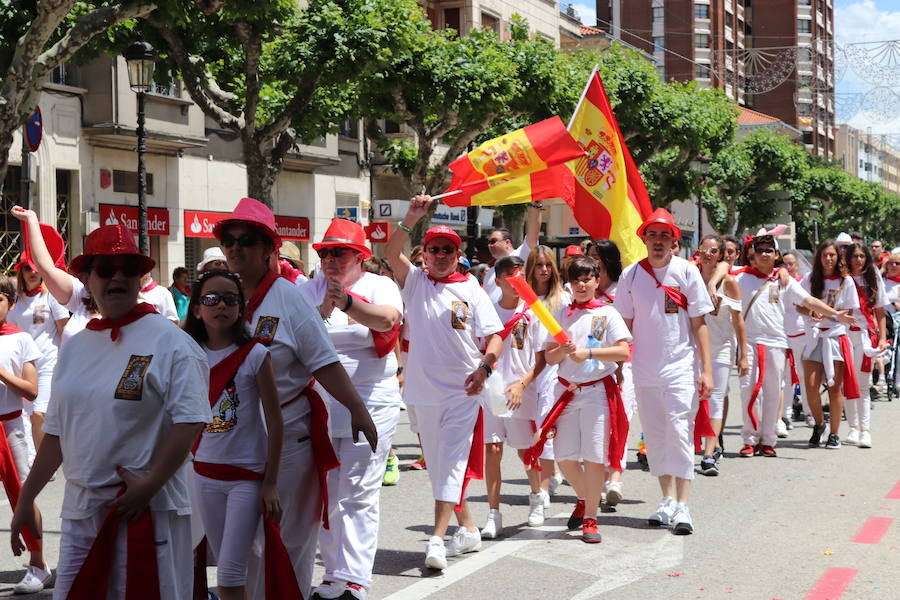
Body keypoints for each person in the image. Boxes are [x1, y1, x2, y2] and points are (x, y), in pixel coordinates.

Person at [11, 223, 211, 599]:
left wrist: (149, 486)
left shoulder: (173, 344)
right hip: (82, 510)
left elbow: (191, 422)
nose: (117, 276)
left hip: (148, 510)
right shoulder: (74, 347)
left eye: (128, 268)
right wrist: (25, 500)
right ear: (86, 278)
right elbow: (55, 434)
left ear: (141, 278)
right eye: (106, 268)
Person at [213, 197, 376, 598]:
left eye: (247, 240)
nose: (236, 248)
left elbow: (324, 362)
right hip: (232, 440)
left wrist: (358, 408)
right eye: (229, 240)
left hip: (289, 441)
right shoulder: (220, 298)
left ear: (269, 249)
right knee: (237, 549)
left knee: (288, 544)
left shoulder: (291, 300)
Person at [384, 195, 504, 571]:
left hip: (462, 393)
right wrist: (412, 216)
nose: (439, 255)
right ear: (425, 255)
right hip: (420, 393)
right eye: (433, 249)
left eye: (447, 250)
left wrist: (485, 369)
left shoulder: (471, 288)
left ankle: (436, 539)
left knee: (450, 464)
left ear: (457, 253)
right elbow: (390, 252)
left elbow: (496, 336)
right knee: (440, 468)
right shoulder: (415, 282)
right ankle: (467, 529)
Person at [299, 219, 403, 600]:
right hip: (318, 402)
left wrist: (346, 302)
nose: (329, 259)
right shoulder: (305, 288)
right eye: (324, 253)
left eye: (338, 252)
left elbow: (389, 319)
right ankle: (333, 574)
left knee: (358, 489)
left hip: (371, 398)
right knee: (325, 489)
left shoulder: (379, 285)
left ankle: (355, 577)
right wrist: (322, 306)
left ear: (359, 256)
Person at [185, 270, 289, 600]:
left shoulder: (256, 355)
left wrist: (270, 483)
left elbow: (275, 421)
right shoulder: (187, 354)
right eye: (211, 299)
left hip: (247, 478)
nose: (221, 306)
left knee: (230, 573)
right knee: (223, 568)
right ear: (198, 308)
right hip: (203, 475)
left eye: (231, 299)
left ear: (241, 308)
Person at [613, 208, 714, 535]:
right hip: (644, 370)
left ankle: (683, 505)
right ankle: (666, 499)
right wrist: (618, 368)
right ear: (643, 238)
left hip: (681, 369)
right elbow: (623, 327)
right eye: (652, 235)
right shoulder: (630, 276)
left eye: (664, 236)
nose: (658, 241)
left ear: (674, 242)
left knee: (680, 433)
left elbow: (699, 324)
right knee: (655, 438)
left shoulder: (686, 272)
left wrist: (707, 371)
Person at [541, 257, 631, 543]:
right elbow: (549, 356)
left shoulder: (608, 313)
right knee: (565, 458)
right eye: (576, 279)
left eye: (587, 279)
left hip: (596, 393)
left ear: (596, 280)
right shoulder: (562, 314)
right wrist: (564, 350)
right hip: (567, 392)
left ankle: (591, 517)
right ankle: (584, 496)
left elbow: (622, 352)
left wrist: (588, 354)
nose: (581, 285)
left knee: (593, 457)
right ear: (569, 282)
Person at [733, 235, 847, 458]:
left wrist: (834, 314)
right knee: (749, 392)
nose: (765, 254)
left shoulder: (783, 281)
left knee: (774, 392)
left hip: (776, 342)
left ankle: (767, 440)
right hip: (749, 343)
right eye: (760, 250)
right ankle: (749, 439)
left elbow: (808, 301)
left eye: (769, 250)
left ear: (776, 256)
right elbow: (715, 270)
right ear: (752, 255)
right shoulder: (740, 277)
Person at [481, 255, 549, 537]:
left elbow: (542, 358)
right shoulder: (487, 311)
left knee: (526, 451)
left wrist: (522, 384)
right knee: (492, 450)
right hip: (492, 391)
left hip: (522, 391)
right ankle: (493, 513)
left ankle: (536, 498)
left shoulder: (534, 312)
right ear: (497, 281)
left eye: (518, 275)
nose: (514, 282)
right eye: (508, 277)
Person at [0, 276, 51, 594]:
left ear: (11, 303)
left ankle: (39, 564)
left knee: (23, 493)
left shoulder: (20, 340)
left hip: (12, 427)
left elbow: (32, 390)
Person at [9, 235, 69, 462]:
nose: (32, 273)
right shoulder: (14, 301)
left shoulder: (51, 296)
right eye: (27, 269)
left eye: (35, 269)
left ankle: (47, 462)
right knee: (23, 417)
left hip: (48, 365)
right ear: (21, 272)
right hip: (22, 368)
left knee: (38, 413)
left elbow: (65, 330)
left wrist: (67, 361)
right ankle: (30, 461)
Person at [586, 239, 634, 502]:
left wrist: (618, 364)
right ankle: (601, 475)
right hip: (591, 367)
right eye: (590, 255)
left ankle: (615, 477)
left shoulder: (622, 290)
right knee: (598, 425)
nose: (594, 260)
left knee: (621, 421)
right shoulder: (583, 290)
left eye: (598, 256)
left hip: (623, 364)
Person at [800, 241, 860, 449]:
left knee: (835, 388)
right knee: (810, 387)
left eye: (832, 255)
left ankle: (835, 433)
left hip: (835, 337)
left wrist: (832, 316)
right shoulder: (809, 279)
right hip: (814, 337)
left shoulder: (846, 282)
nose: (828, 259)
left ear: (838, 258)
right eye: (824, 255)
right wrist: (812, 312)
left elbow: (849, 313)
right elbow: (799, 305)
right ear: (819, 258)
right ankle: (819, 424)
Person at [10, 207, 101, 345]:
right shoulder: (83, 296)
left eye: (127, 270)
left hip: (48, 365)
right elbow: (46, 268)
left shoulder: (143, 315)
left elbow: (62, 327)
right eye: (103, 271)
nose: (115, 278)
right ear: (86, 278)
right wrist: (31, 220)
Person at [696, 235, 747, 473]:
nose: (708, 254)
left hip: (722, 349)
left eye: (713, 250)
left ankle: (709, 454)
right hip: (694, 350)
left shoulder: (729, 283)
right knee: (693, 400)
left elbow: (739, 322)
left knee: (715, 399)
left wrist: (743, 354)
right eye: (704, 249)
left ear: (719, 255)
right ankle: (692, 448)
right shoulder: (690, 276)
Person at [524, 246, 569, 499]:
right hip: (524, 368)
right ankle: (549, 475)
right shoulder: (521, 298)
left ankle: (544, 485)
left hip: (552, 369)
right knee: (529, 428)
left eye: (548, 265)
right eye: (539, 265)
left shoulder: (563, 299)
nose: (543, 270)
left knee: (546, 424)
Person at [844, 243, 889, 448]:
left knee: (862, 385)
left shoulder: (873, 278)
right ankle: (852, 428)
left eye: (862, 256)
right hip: (842, 337)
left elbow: (879, 311)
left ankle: (865, 430)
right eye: (855, 256)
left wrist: (881, 337)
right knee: (846, 384)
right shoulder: (842, 278)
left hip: (864, 337)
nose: (859, 260)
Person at [481, 203, 542, 302]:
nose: (489, 245)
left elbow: (533, 232)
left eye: (493, 241)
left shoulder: (522, 254)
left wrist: (536, 206)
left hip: (519, 316)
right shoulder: (490, 273)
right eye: (488, 243)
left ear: (507, 242)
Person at [781, 251, 813, 427]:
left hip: (803, 334)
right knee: (785, 376)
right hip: (783, 335)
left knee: (804, 375)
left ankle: (809, 412)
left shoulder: (804, 282)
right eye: (784, 263)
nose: (788, 266)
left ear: (797, 265)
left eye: (791, 263)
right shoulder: (778, 283)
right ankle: (785, 414)